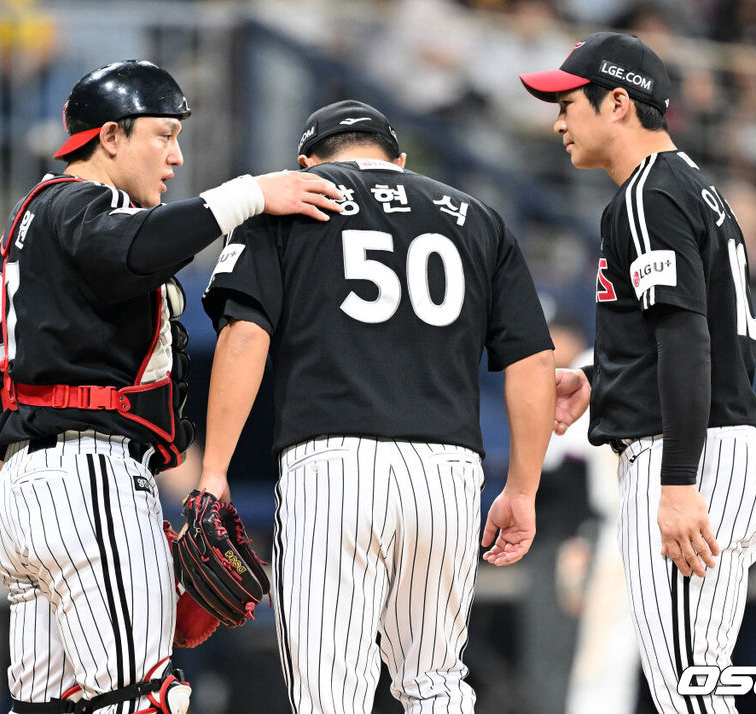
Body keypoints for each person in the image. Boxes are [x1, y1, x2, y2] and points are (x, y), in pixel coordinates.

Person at [0, 60, 341, 714]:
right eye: (163, 136)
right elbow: (137, 247)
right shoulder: (80, 202)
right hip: (87, 479)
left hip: (29, 489)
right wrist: (251, 194)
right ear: (110, 137)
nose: (176, 157)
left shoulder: (37, 214)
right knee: (142, 699)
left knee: (52, 706)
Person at [198, 99, 556, 713]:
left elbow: (245, 336)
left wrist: (214, 470)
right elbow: (534, 362)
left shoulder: (286, 201)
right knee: (435, 681)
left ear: (306, 162)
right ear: (400, 161)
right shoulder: (476, 216)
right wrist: (522, 489)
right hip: (447, 473)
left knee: (330, 692)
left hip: (332, 465)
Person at [520, 32, 756, 713]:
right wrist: (602, 380)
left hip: (691, 457)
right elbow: (696, 334)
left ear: (616, 103)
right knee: (697, 688)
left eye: (568, 104)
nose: (558, 122)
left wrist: (678, 482)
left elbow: (686, 340)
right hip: (727, 448)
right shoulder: (693, 186)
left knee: (688, 694)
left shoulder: (648, 194)